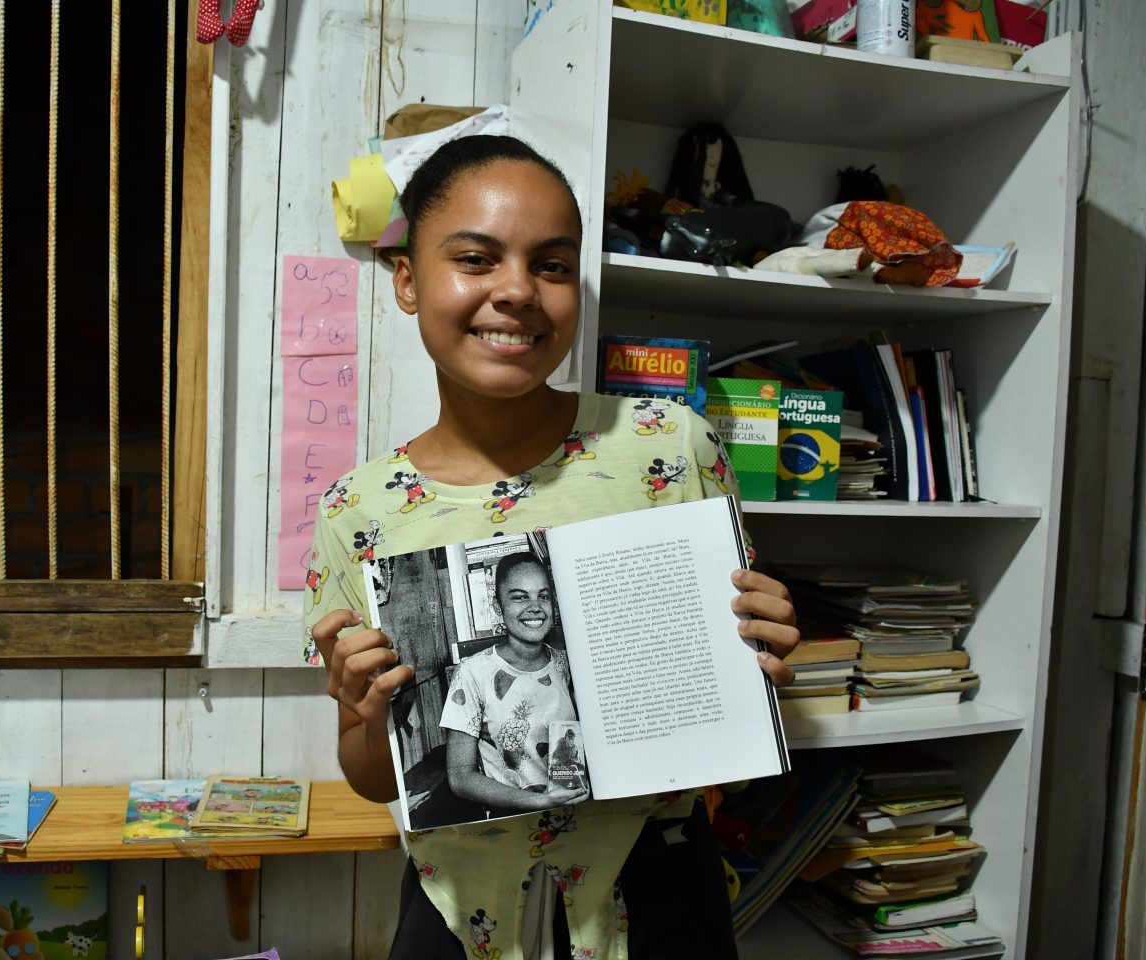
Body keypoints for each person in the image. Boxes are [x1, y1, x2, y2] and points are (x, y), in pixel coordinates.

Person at [303, 134, 799, 959]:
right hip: (461, 908)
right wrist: (364, 713)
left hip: (656, 890)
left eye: (553, 265)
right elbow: (372, 776)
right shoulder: (358, 511)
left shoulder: (669, 446)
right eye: (475, 258)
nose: (517, 292)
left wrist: (764, 648)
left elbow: (735, 696)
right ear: (406, 279)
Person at [440, 551, 589, 817]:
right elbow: (460, 778)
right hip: (513, 823)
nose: (535, 607)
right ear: (498, 608)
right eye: (520, 597)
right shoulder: (472, 672)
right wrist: (540, 802)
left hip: (575, 814)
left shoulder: (566, 665)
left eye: (543, 596)